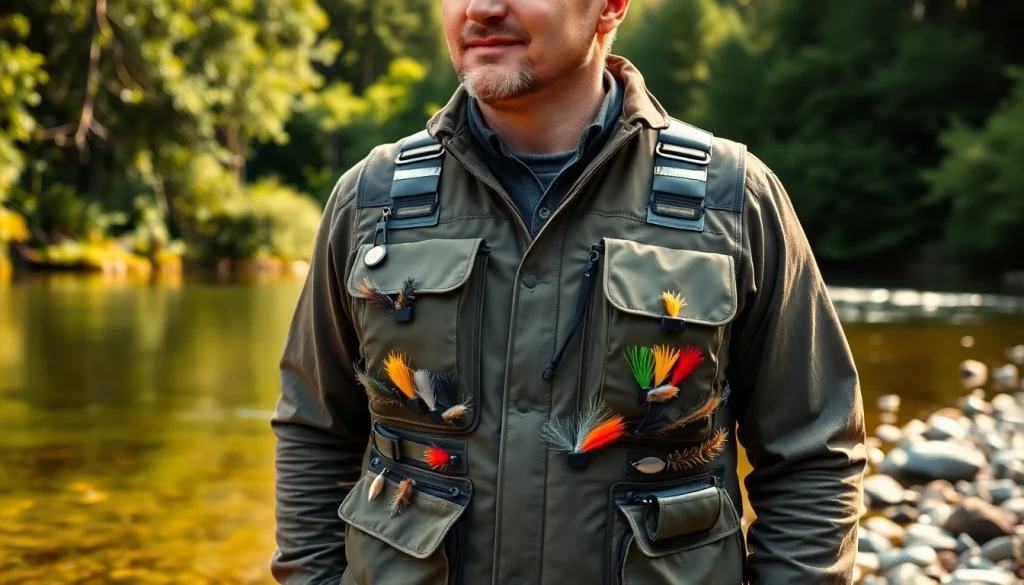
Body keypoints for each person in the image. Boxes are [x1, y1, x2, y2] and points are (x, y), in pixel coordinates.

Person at [271, 0, 867, 583]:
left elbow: (812, 456)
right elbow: (315, 433)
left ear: (610, 6)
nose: (479, 9)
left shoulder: (734, 200)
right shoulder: (370, 201)